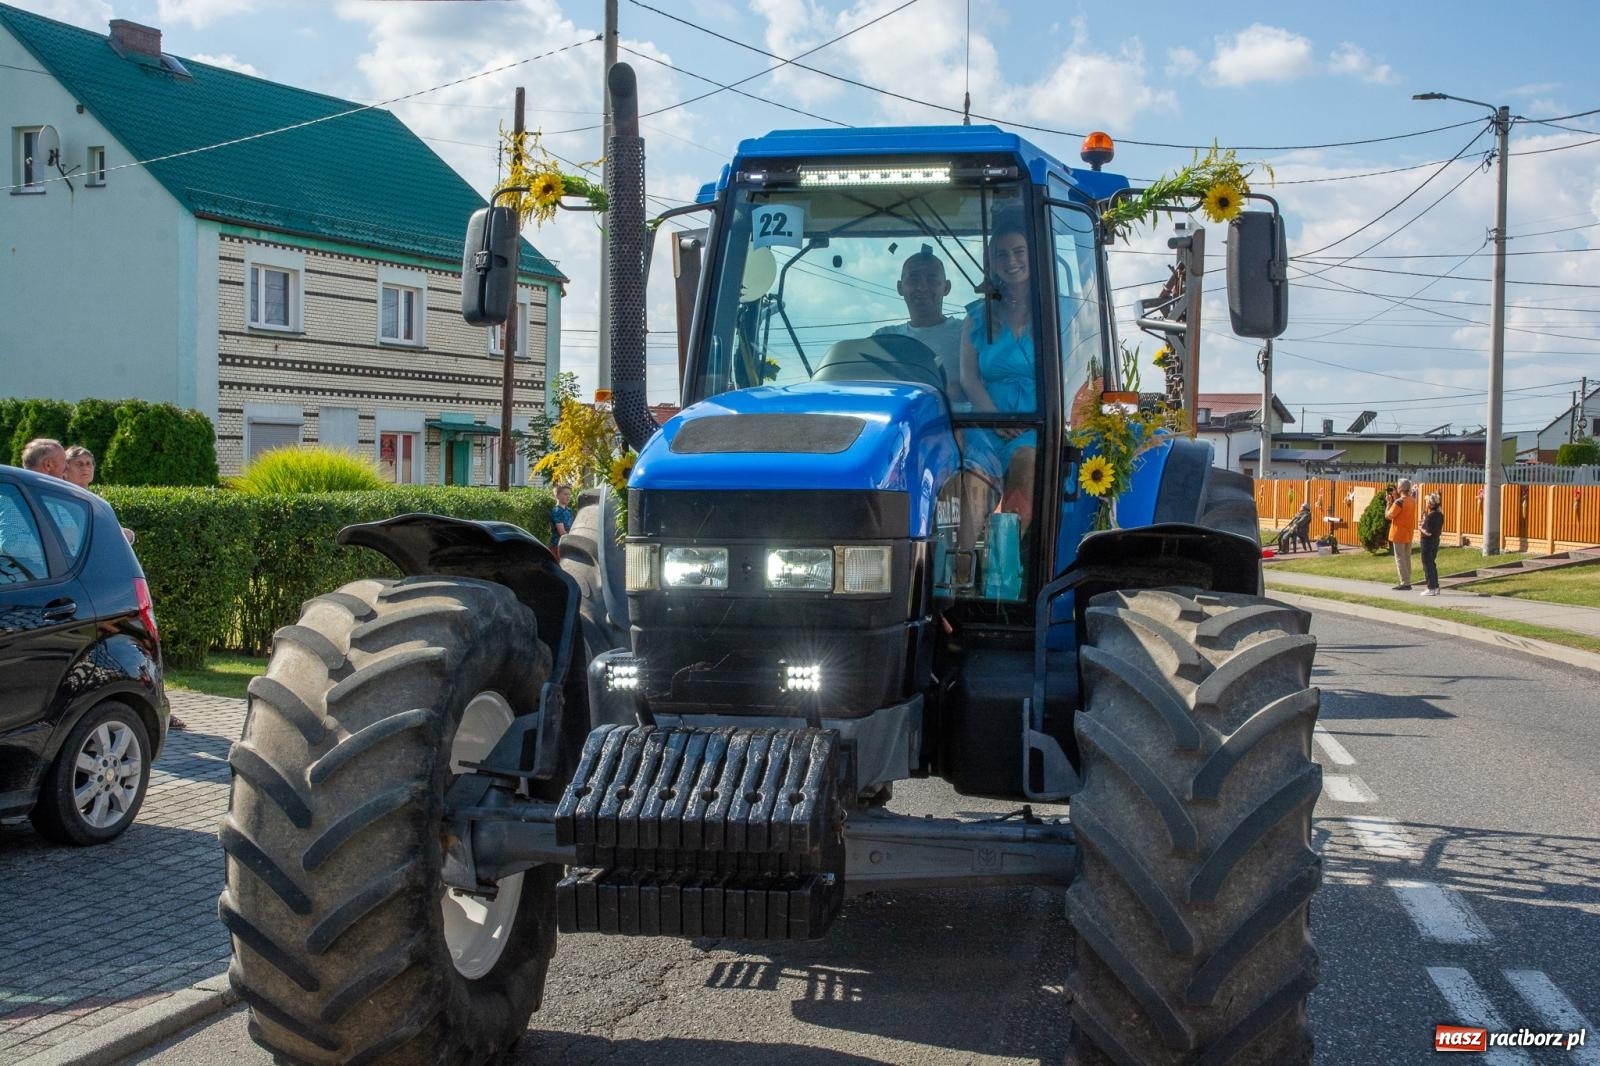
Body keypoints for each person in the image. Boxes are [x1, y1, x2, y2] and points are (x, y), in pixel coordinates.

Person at [953, 215, 1037, 589]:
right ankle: (957, 579)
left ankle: (998, 580)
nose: (1012, 260)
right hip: (987, 419)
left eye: (1019, 251)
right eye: (1001, 254)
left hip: (1037, 421)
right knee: (969, 481)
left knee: (1024, 469)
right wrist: (994, 417)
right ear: (991, 264)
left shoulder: (1057, 312)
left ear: (1032, 257)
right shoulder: (976, 316)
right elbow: (969, 378)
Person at [873, 246, 966, 401]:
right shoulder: (883, 339)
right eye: (914, 279)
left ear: (946, 287)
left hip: (957, 423)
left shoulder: (966, 333)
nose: (922, 287)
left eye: (932, 280)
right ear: (899, 287)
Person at [1385, 478, 1418, 590]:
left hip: (1398, 533)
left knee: (1399, 558)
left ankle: (1405, 582)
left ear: (1401, 488)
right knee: (1406, 557)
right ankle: (1408, 579)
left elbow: (1389, 515)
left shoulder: (1399, 502)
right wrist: (1394, 500)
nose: (1397, 488)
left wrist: (1388, 503)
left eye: (1398, 486)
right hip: (1408, 532)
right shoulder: (1412, 500)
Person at [1419, 492, 1444, 596]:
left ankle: (1431, 587)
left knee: (1427, 564)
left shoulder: (1430, 516)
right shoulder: (1440, 515)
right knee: (1432, 563)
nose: (1426, 504)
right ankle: (1436, 586)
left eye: (1427, 502)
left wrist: (1420, 527)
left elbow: (1427, 531)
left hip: (1427, 542)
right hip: (1435, 540)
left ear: (1430, 504)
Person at [549, 484, 574, 552]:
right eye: (565, 494)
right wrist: (575, 540)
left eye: (569, 494)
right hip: (558, 546)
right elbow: (562, 532)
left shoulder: (569, 510)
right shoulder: (557, 511)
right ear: (557, 496)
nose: (568, 496)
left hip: (568, 544)